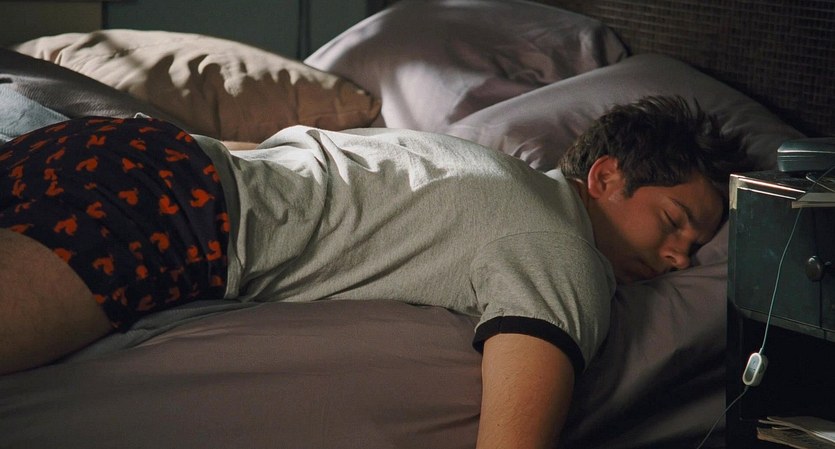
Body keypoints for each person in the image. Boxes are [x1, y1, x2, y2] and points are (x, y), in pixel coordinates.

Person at [0, 95, 744, 448]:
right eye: (674, 221)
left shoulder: (469, 163)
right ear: (606, 177)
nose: (680, 259)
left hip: (120, 151)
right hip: (168, 211)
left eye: (695, 246)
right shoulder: (561, 247)